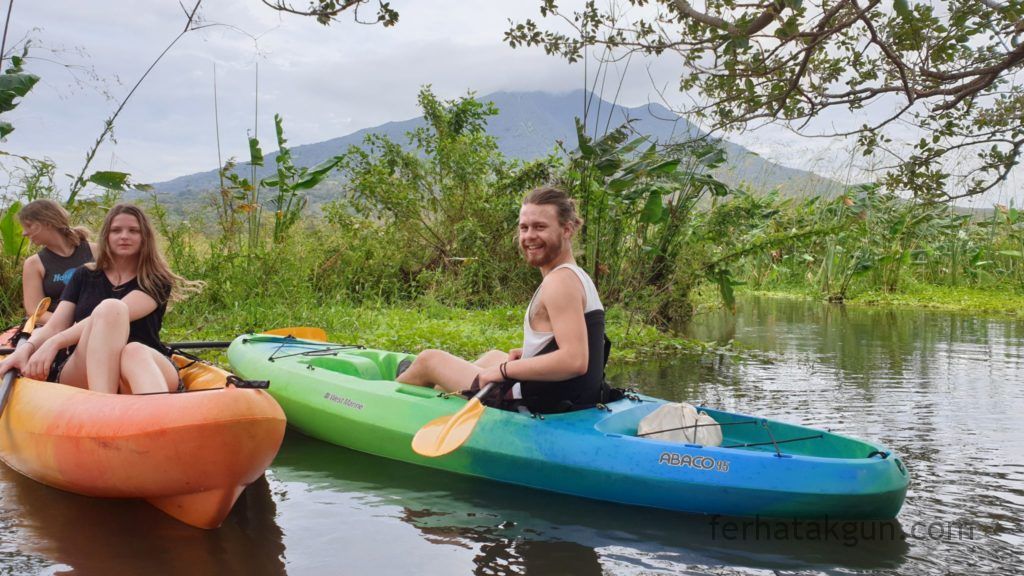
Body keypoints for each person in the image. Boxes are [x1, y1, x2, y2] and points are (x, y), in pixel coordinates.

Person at [396, 186, 608, 413]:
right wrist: (532, 355)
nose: (529, 236)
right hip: (563, 393)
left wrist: (504, 372)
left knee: (429, 360)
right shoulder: (575, 274)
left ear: (566, 230)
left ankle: (392, 399)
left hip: (539, 401)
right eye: (524, 228)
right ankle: (441, 389)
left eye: (540, 227)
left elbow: (574, 360)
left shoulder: (559, 282)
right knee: (494, 356)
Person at [0, 204, 202, 394]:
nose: (124, 236)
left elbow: (108, 315)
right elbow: (55, 326)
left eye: (133, 231)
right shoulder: (84, 275)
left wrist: (54, 343)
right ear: (107, 235)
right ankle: (104, 403)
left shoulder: (155, 280)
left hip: (141, 362)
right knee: (111, 313)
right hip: (85, 366)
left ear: (145, 237)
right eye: (116, 230)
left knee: (130, 346)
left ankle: (154, 417)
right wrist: (27, 349)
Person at [18, 199, 97, 326]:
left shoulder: (95, 251)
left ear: (48, 223)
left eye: (29, 225)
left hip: (99, 323)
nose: (24, 233)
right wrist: (72, 325)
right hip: (58, 328)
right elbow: (34, 310)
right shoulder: (33, 264)